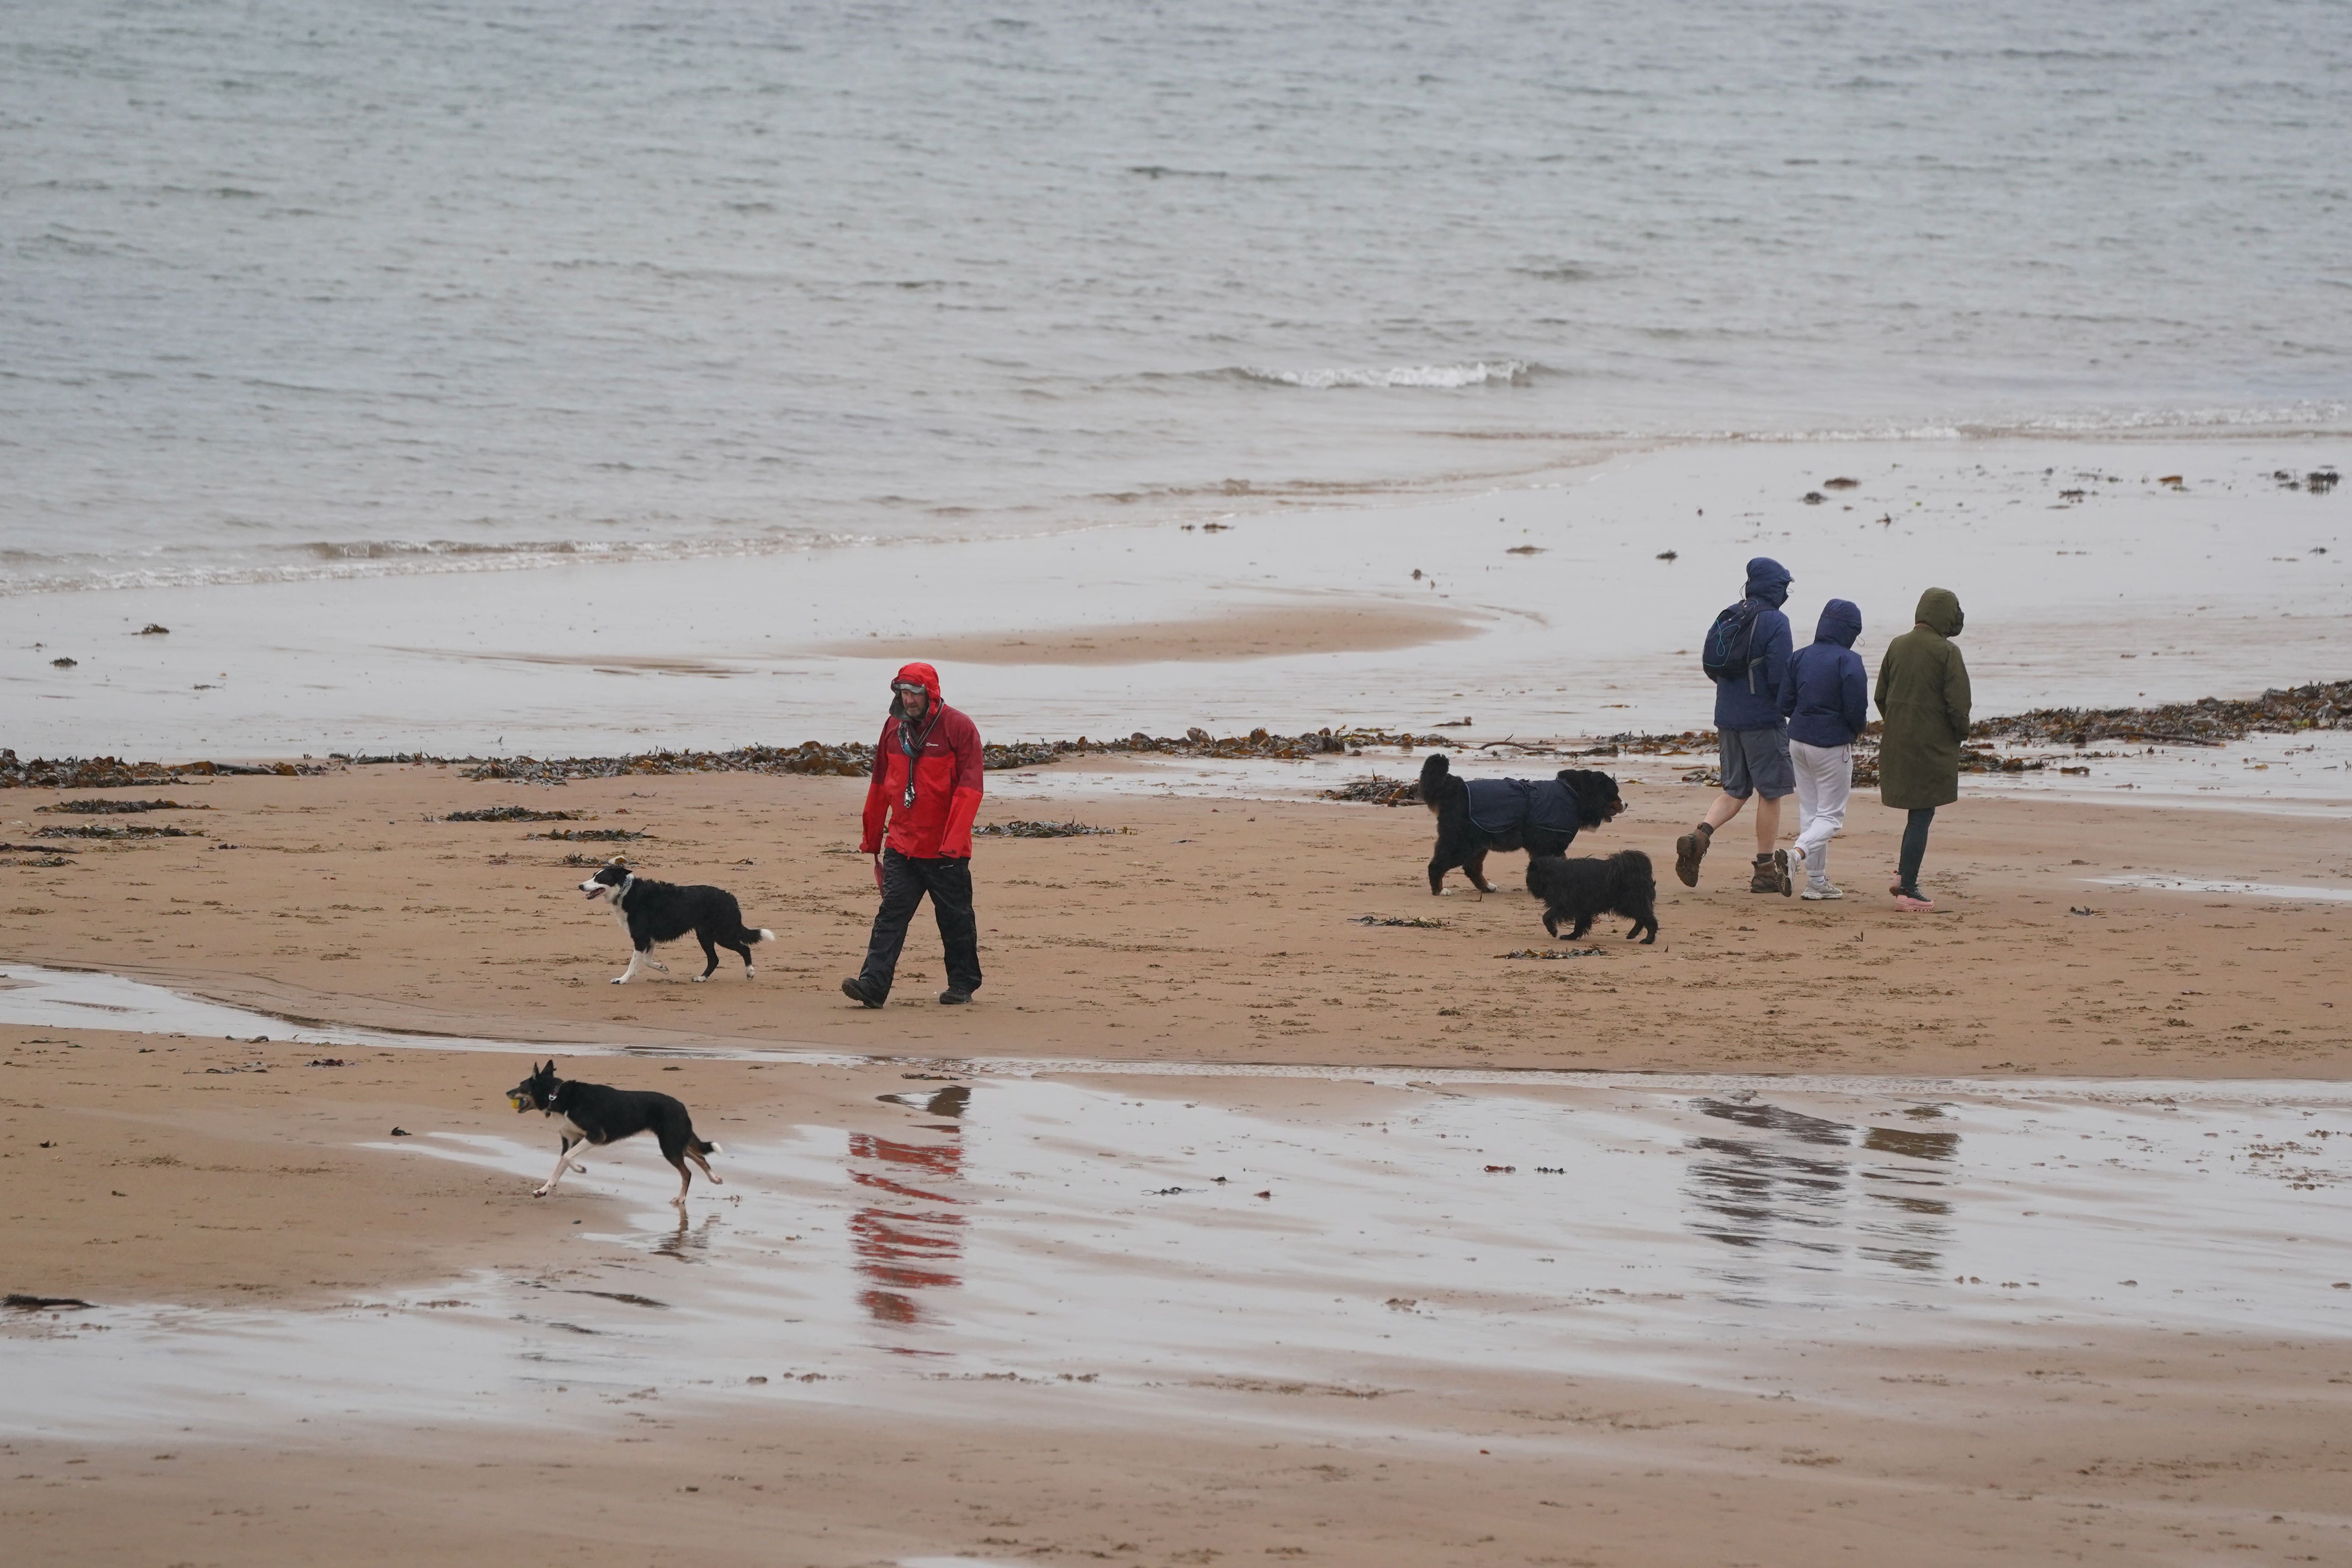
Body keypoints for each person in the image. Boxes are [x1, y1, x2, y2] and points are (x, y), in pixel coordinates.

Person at [842, 662, 985, 1007]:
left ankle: (963, 985)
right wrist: (873, 839)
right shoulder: (893, 727)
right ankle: (872, 987)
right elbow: (879, 783)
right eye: (903, 693)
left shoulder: (959, 727)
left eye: (914, 693)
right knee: (890, 915)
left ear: (930, 693)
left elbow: (970, 789)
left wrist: (952, 843)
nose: (908, 700)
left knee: (955, 919)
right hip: (902, 846)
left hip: (945, 850)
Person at [1676, 556, 1797, 895]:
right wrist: (1788, 708)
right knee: (1771, 794)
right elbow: (1780, 677)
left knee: (1734, 789)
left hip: (1727, 716)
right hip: (1763, 719)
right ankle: (1764, 871)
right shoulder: (1776, 621)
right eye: (1785, 586)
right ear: (1776, 587)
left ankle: (1701, 835)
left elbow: (1711, 666)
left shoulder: (1729, 614)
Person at [1873, 588, 1971, 911]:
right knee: (1922, 814)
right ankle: (1908, 889)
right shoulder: (1947, 652)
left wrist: (1899, 723)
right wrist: (1959, 734)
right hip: (1931, 746)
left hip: (1897, 743)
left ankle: (1903, 876)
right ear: (1945, 616)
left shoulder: (1897, 645)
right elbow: (1959, 705)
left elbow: (1880, 696)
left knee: (1918, 813)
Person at [1778, 598, 1867, 899]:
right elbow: (1856, 707)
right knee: (1830, 817)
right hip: (1831, 745)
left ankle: (1816, 882)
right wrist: (1854, 730)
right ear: (1851, 631)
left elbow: (1784, 702)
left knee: (1811, 811)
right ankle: (1797, 855)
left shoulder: (1800, 656)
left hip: (1798, 741)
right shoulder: (1849, 661)